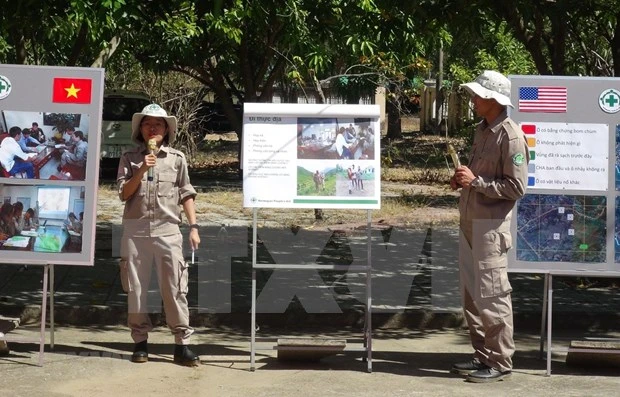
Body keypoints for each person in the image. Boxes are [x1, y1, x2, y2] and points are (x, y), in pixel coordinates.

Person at [449, 70, 529, 383]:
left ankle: (500, 361)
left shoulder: (510, 135)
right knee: (471, 295)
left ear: (493, 99)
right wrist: (463, 180)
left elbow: (516, 187)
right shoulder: (482, 131)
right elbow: (478, 177)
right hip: (470, 221)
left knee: (493, 294)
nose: (472, 100)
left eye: (477, 95)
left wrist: (478, 183)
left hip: (490, 228)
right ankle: (482, 355)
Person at [117, 103, 201, 366]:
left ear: (166, 130)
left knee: (175, 288)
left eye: (158, 124)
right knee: (136, 289)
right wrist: (142, 168)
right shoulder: (129, 157)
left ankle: (182, 344)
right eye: (147, 123)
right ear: (140, 129)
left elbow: (186, 193)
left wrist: (194, 227)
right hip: (135, 231)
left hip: (168, 231)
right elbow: (124, 194)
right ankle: (140, 342)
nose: (152, 128)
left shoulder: (177, 158)